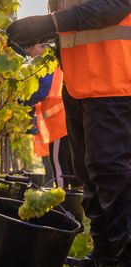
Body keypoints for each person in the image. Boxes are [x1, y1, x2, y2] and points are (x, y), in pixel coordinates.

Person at [7, 1, 131, 265]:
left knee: (111, 171)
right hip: (78, 84)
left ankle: (125, 257)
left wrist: (48, 23)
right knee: (87, 172)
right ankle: (105, 256)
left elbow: (116, 5)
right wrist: (37, 35)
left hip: (114, 79)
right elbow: (71, 26)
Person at [24, 44, 73, 187]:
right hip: (62, 119)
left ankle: (62, 196)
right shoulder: (55, 59)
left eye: (31, 50)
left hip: (59, 122)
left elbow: (42, 92)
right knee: (66, 160)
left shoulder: (47, 62)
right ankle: (72, 197)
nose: (31, 55)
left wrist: (23, 100)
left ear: (39, 46)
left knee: (57, 160)